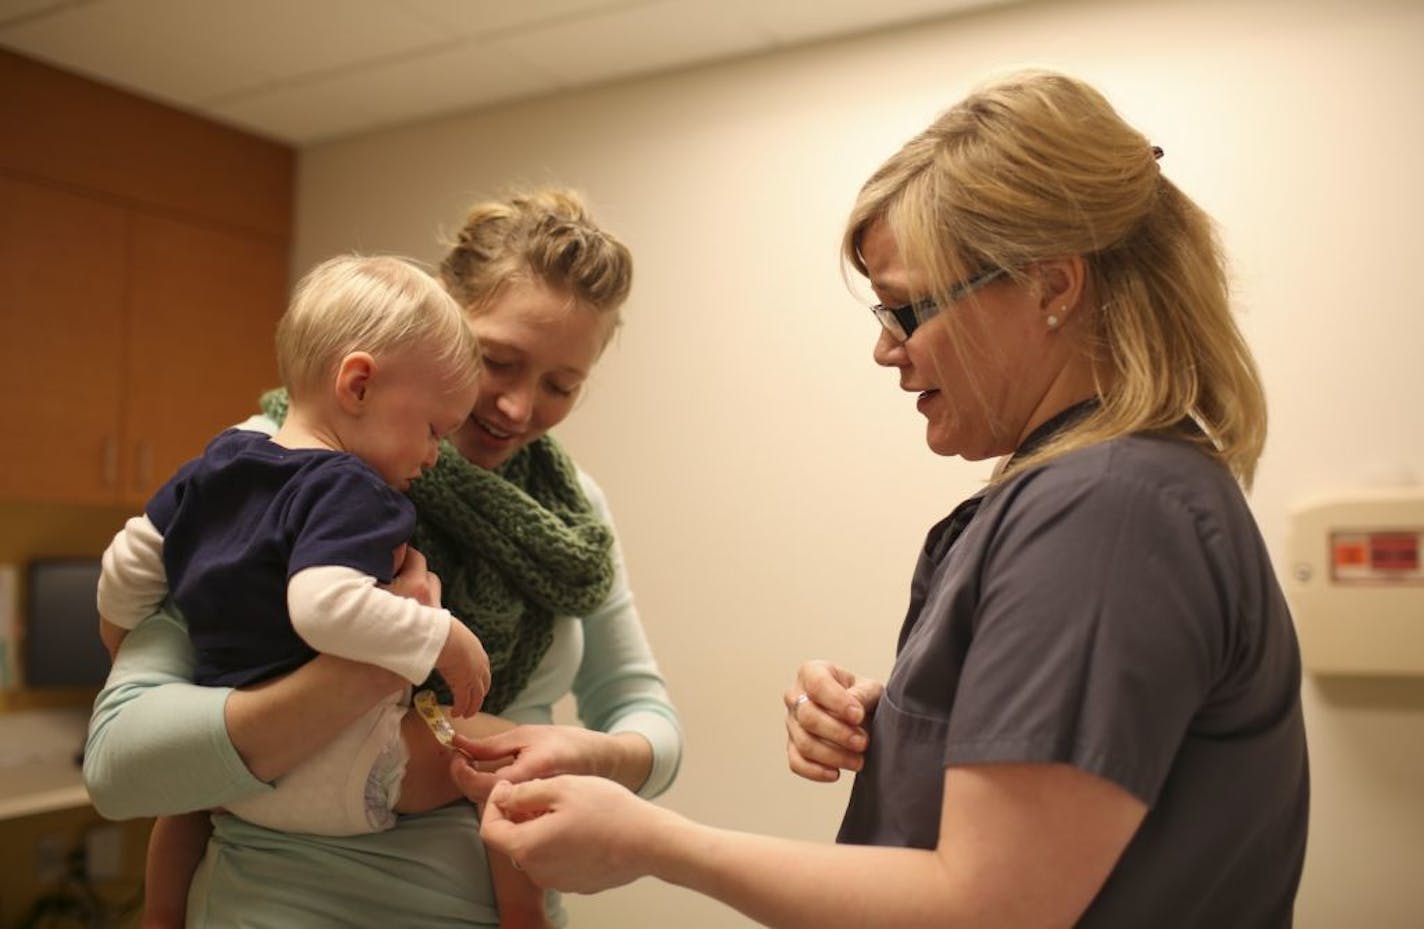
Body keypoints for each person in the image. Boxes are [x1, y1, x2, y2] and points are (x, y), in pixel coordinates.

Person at [472, 70, 1309, 928]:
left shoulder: (1109, 508)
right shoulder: (1107, 493)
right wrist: (916, 722)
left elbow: (989, 907)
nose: (886, 349)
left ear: (1053, 285)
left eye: (907, 309)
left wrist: (654, 843)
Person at [84, 190, 683, 928]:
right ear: (440, 322)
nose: (519, 409)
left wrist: (592, 756)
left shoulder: (570, 513)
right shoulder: (274, 468)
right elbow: (120, 763)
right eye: (496, 361)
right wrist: (374, 664)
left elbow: (643, 713)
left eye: (562, 385)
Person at [94, 253, 505, 927]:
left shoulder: (217, 463)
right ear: (359, 384)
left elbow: (129, 558)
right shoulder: (352, 489)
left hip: (227, 779)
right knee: (511, 755)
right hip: (343, 762)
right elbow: (323, 606)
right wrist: (443, 636)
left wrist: (121, 636)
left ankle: (161, 914)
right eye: (434, 429)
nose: (435, 456)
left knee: (179, 814)